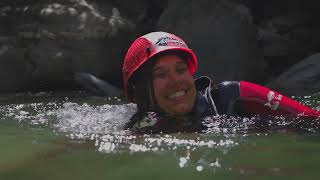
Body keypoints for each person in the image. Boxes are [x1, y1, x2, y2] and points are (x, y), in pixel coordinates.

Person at [122, 31, 320, 134]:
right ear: (139, 91)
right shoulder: (141, 128)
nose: (176, 82)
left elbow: (313, 120)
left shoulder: (234, 97)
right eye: (161, 74)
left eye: (181, 70)